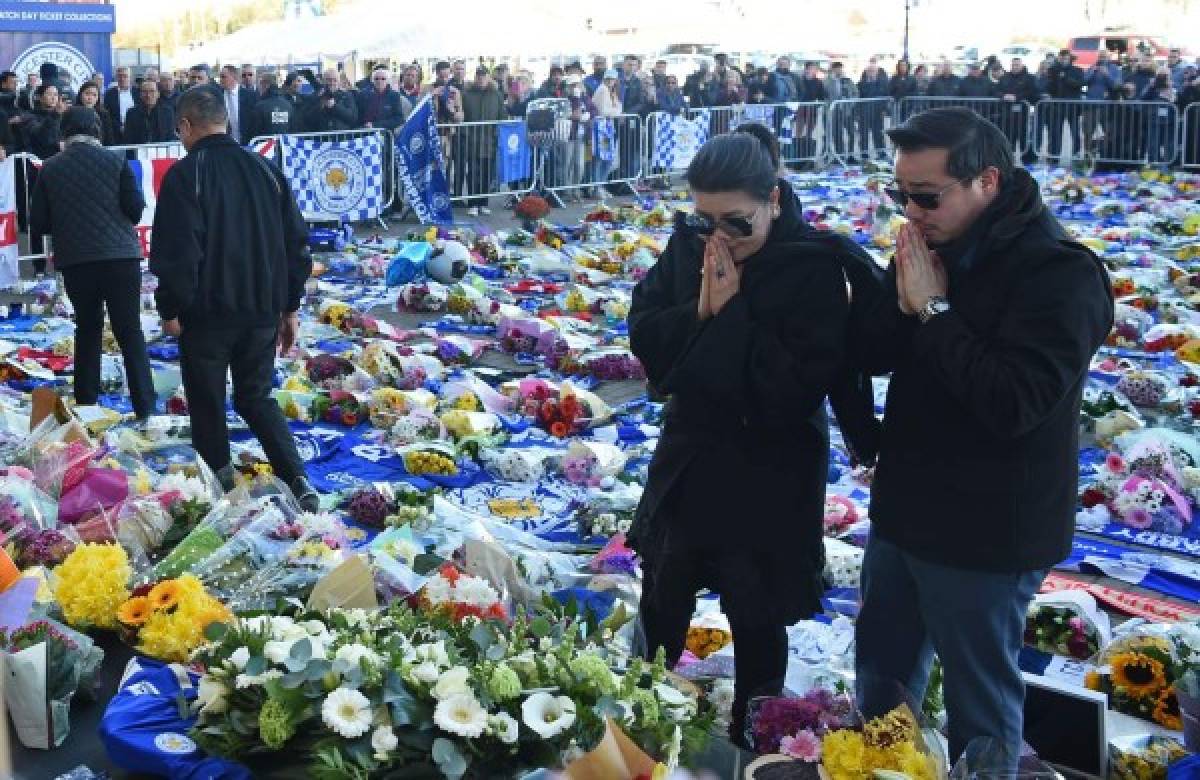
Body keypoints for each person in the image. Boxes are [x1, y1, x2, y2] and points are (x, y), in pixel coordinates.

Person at [855, 107, 1113, 765]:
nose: (910, 211)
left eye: (926, 195)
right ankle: (887, 769)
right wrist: (891, 292)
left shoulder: (1061, 274)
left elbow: (1013, 401)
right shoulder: (929, 244)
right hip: (905, 511)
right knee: (883, 686)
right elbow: (878, 351)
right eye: (900, 193)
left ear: (987, 181)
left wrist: (934, 310)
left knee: (980, 706)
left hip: (987, 533)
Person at [628, 127, 850, 749]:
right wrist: (699, 311)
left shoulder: (811, 265)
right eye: (705, 222)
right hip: (693, 458)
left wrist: (730, 315)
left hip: (768, 472)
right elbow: (646, 331)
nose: (718, 239)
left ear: (773, 200)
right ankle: (639, 724)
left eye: (736, 223)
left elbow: (792, 387)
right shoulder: (688, 246)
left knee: (756, 615)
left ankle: (758, 741)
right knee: (664, 597)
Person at [149, 88, 319, 512]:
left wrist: (170, 308)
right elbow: (297, 244)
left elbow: (176, 252)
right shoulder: (265, 168)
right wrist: (289, 305)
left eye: (179, 130)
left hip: (207, 315)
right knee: (255, 396)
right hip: (262, 309)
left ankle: (221, 497)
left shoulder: (186, 175)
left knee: (207, 403)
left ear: (186, 126)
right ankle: (297, 479)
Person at [30, 106, 156, 420]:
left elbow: (40, 222)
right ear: (97, 130)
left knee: (87, 329)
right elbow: (136, 208)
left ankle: (87, 406)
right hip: (121, 257)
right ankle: (146, 407)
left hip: (77, 260)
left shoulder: (50, 168)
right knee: (130, 332)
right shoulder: (117, 161)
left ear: (64, 133)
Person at [459, 65, 506, 216]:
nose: (480, 78)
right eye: (478, 75)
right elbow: (462, 115)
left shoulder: (497, 95)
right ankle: (473, 203)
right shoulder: (466, 94)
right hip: (471, 141)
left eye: (483, 75)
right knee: (473, 172)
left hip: (490, 141)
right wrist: (466, 133)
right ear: (475, 77)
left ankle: (484, 203)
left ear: (488, 77)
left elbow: (502, 115)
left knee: (487, 174)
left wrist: (499, 134)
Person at [1042, 49, 1085, 164]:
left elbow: (1079, 84)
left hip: (1073, 107)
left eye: (1065, 58)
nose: (1063, 60)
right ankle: (1053, 158)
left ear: (1069, 58)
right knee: (1055, 133)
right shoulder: (1053, 70)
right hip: (1057, 107)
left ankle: (1075, 157)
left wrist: (1065, 77)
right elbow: (1049, 86)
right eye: (1061, 58)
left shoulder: (1078, 70)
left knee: (1075, 133)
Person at [589, 69, 622, 199]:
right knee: (601, 158)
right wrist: (617, 111)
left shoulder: (611, 91)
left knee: (607, 159)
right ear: (604, 79)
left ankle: (599, 186)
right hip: (600, 127)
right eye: (608, 79)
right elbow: (603, 111)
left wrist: (616, 109)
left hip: (606, 128)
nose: (610, 81)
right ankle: (597, 187)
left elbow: (618, 107)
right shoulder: (603, 90)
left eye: (612, 79)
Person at [1141, 68, 1178, 166]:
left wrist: (1171, 91)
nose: (1163, 78)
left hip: (1170, 120)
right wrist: (1151, 87)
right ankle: (1154, 164)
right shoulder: (1152, 87)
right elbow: (1143, 98)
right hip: (1154, 119)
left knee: (1169, 144)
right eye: (1161, 75)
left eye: (1165, 75)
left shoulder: (1174, 86)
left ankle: (1169, 165)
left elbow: (1178, 101)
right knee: (1153, 143)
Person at [357, 66, 410, 131]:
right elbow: (358, 115)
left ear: (387, 80)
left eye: (383, 79)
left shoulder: (394, 96)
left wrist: (375, 125)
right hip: (365, 134)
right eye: (376, 79)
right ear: (372, 81)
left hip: (385, 134)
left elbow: (399, 119)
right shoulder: (363, 94)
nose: (379, 81)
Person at [305, 68, 358, 132]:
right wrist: (320, 104)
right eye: (329, 80)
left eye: (335, 80)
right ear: (323, 81)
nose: (332, 83)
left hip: (342, 138)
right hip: (321, 138)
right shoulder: (314, 96)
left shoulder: (347, 95)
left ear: (339, 82)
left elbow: (352, 118)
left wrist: (335, 106)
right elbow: (307, 119)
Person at [858, 56, 890, 160]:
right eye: (870, 71)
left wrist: (885, 110)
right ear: (866, 72)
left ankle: (881, 152)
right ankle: (864, 153)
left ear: (877, 72)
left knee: (878, 132)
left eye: (873, 71)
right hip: (864, 111)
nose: (871, 72)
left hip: (878, 111)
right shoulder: (861, 83)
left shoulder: (883, 83)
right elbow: (859, 96)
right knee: (864, 133)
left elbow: (886, 96)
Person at [825, 61, 858, 161]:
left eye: (840, 68)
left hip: (847, 111)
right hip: (835, 112)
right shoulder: (827, 81)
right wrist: (829, 106)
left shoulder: (848, 80)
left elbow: (855, 93)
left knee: (852, 133)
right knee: (837, 134)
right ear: (833, 69)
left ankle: (851, 155)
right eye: (836, 68)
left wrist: (851, 104)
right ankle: (840, 156)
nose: (839, 70)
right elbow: (824, 95)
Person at [217, 65, 256, 144]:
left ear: (234, 77)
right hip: (224, 143)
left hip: (247, 143)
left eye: (223, 77)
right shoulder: (217, 96)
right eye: (220, 77)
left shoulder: (250, 96)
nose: (220, 80)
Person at [104, 66, 138, 142]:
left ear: (130, 78)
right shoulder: (109, 94)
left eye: (125, 76)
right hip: (116, 134)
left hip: (136, 132)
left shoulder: (138, 92)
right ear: (116, 78)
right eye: (119, 76)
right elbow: (106, 115)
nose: (122, 79)